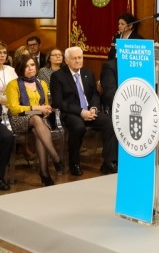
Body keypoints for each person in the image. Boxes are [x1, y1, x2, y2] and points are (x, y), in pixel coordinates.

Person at [50, 46, 118, 176]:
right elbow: (58, 102)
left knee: (110, 122)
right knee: (78, 127)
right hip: (71, 113)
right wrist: (81, 111)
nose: (78, 61)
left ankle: (108, 161)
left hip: (89, 111)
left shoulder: (88, 72)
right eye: (74, 58)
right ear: (66, 60)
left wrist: (94, 108)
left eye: (80, 57)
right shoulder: (57, 76)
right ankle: (74, 163)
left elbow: (94, 95)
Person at [5, 55, 64, 186]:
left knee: (38, 129)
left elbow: (45, 104)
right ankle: (55, 157)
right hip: (18, 118)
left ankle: (44, 173)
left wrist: (46, 110)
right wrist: (36, 108)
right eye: (26, 66)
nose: (30, 68)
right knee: (36, 119)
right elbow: (15, 109)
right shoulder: (13, 85)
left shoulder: (42, 83)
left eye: (32, 65)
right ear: (20, 68)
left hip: (38, 118)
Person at [0, 42, 17, 190]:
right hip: (4, 107)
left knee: (8, 136)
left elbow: (18, 89)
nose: (2, 55)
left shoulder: (11, 70)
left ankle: (0, 176)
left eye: (4, 53)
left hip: (11, 108)